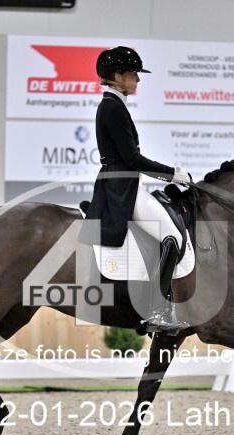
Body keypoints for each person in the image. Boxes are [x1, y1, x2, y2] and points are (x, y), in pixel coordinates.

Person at [79, 46, 192, 332]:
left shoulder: (113, 104)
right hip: (120, 188)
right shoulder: (112, 107)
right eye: (133, 74)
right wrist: (172, 174)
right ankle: (156, 311)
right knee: (171, 236)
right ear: (117, 76)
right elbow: (132, 159)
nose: (137, 80)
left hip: (122, 183)